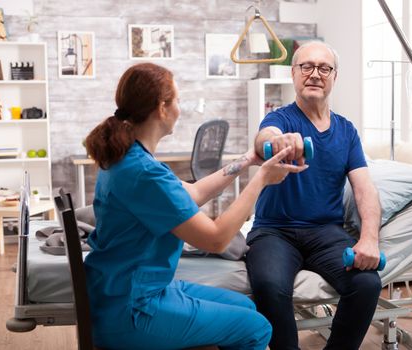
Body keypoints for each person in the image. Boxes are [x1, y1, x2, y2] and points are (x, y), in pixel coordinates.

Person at [83, 62, 308, 350]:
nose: (180, 108)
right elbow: (215, 239)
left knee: (247, 307)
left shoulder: (131, 158)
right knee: (256, 328)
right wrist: (261, 179)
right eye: (177, 100)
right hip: (133, 309)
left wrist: (248, 160)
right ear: (162, 108)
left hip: (127, 291)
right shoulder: (143, 173)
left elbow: (195, 192)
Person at [246, 41, 383, 350]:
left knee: (367, 283)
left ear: (335, 76)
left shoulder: (346, 131)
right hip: (274, 231)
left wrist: (369, 238)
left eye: (324, 68)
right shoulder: (280, 119)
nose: (315, 75)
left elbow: (364, 188)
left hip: (325, 232)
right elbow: (263, 139)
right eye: (306, 67)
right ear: (294, 74)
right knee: (269, 284)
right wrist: (278, 142)